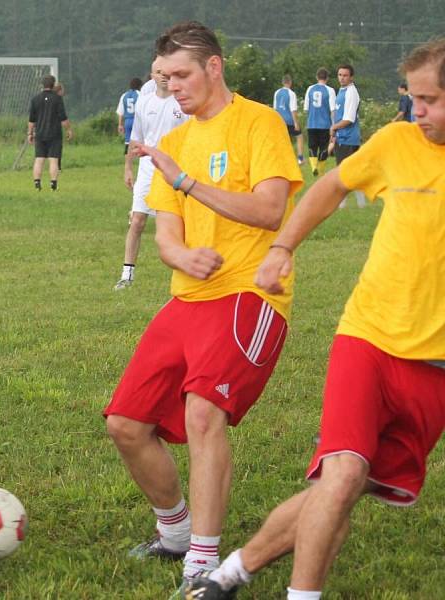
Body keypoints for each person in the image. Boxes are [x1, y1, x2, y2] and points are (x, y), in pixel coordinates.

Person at [184, 38, 445, 600]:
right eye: (414, 98)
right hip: (368, 338)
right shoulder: (397, 142)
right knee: (344, 473)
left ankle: (232, 572)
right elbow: (328, 187)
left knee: (343, 491)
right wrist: (282, 249)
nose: (415, 111)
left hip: (434, 368)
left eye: (428, 100)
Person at [103, 20, 302, 593]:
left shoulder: (259, 122)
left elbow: (269, 211)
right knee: (125, 424)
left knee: (201, 413)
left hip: (249, 294)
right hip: (189, 300)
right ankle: (174, 532)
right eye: (164, 78)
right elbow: (167, 236)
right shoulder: (173, 143)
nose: (173, 88)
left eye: (181, 75)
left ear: (214, 67)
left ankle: (203, 560)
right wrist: (179, 257)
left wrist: (187, 183)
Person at [114, 62, 186, 290]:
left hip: (175, 168)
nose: (165, 76)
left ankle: (185, 273)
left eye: (168, 72)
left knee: (181, 223)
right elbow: (135, 140)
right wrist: (128, 167)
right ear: (152, 76)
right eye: (159, 73)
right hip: (147, 167)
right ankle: (127, 275)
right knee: (137, 220)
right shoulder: (144, 103)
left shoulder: (182, 103)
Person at [330, 64, 367, 208]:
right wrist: (334, 132)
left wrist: (334, 127)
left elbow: (349, 119)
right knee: (351, 172)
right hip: (342, 136)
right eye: (340, 75)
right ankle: (360, 204)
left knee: (343, 172)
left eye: (345, 75)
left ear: (351, 77)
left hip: (349, 138)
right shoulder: (342, 90)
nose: (342, 78)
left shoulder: (351, 92)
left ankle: (342, 205)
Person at [27, 75, 73, 191]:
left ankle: (37, 183)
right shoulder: (57, 99)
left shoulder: (35, 99)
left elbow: (31, 120)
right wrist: (69, 130)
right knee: (53, 159)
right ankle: (53, 183)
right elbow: (63, 118)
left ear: (43, 85)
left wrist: (30, 133)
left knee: (39, 159)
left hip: (40, 133)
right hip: (54, 134)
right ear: (53, 85)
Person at [303, 68, 337, 176]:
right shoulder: (330, 90)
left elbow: (306, 109)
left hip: (312, 124)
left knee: (312, 147)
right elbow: (333, 110)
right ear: (327, 78)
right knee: (323, 148)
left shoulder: (310, 89)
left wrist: (309, 120)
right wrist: (334, 125)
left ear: (317, 77)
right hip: (325, 125)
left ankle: (313, 167)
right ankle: (321, 170)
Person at [273, 74, 305, 165]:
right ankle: (300, 158)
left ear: (283, 82)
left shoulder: (277, 92)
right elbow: (293, 110)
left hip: (279, 120)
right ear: (290, 82)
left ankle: (280, 159)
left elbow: (275, 108)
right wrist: (296, 123)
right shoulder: (291, 94)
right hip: (289, 120)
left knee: (281, 140)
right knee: (299, 137)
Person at [116, 77, 144, 154]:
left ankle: (128, 159)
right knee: (141, 140)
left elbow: (121, 112)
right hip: (137, 120)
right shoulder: (140, 94)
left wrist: (120, 125)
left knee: (128, 141)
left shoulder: (124, 95)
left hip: (127, 121)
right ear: (140, 85)